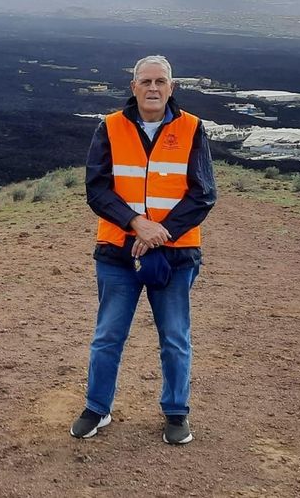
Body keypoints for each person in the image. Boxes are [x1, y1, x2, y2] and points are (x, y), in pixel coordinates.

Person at [70, 55, 217, 445]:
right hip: (117, 252)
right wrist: (136, 224)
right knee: (107, 336)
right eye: (146, 81)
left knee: (174, 336)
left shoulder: (192, 129)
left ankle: (175, 412)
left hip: (175, 255)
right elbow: (97, 188)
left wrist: (160, 232)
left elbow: (204, 194)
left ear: (172, 87)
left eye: (161, 82)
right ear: (133, 87)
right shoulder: (111, 127)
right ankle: (97, 407)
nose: (153, 88)